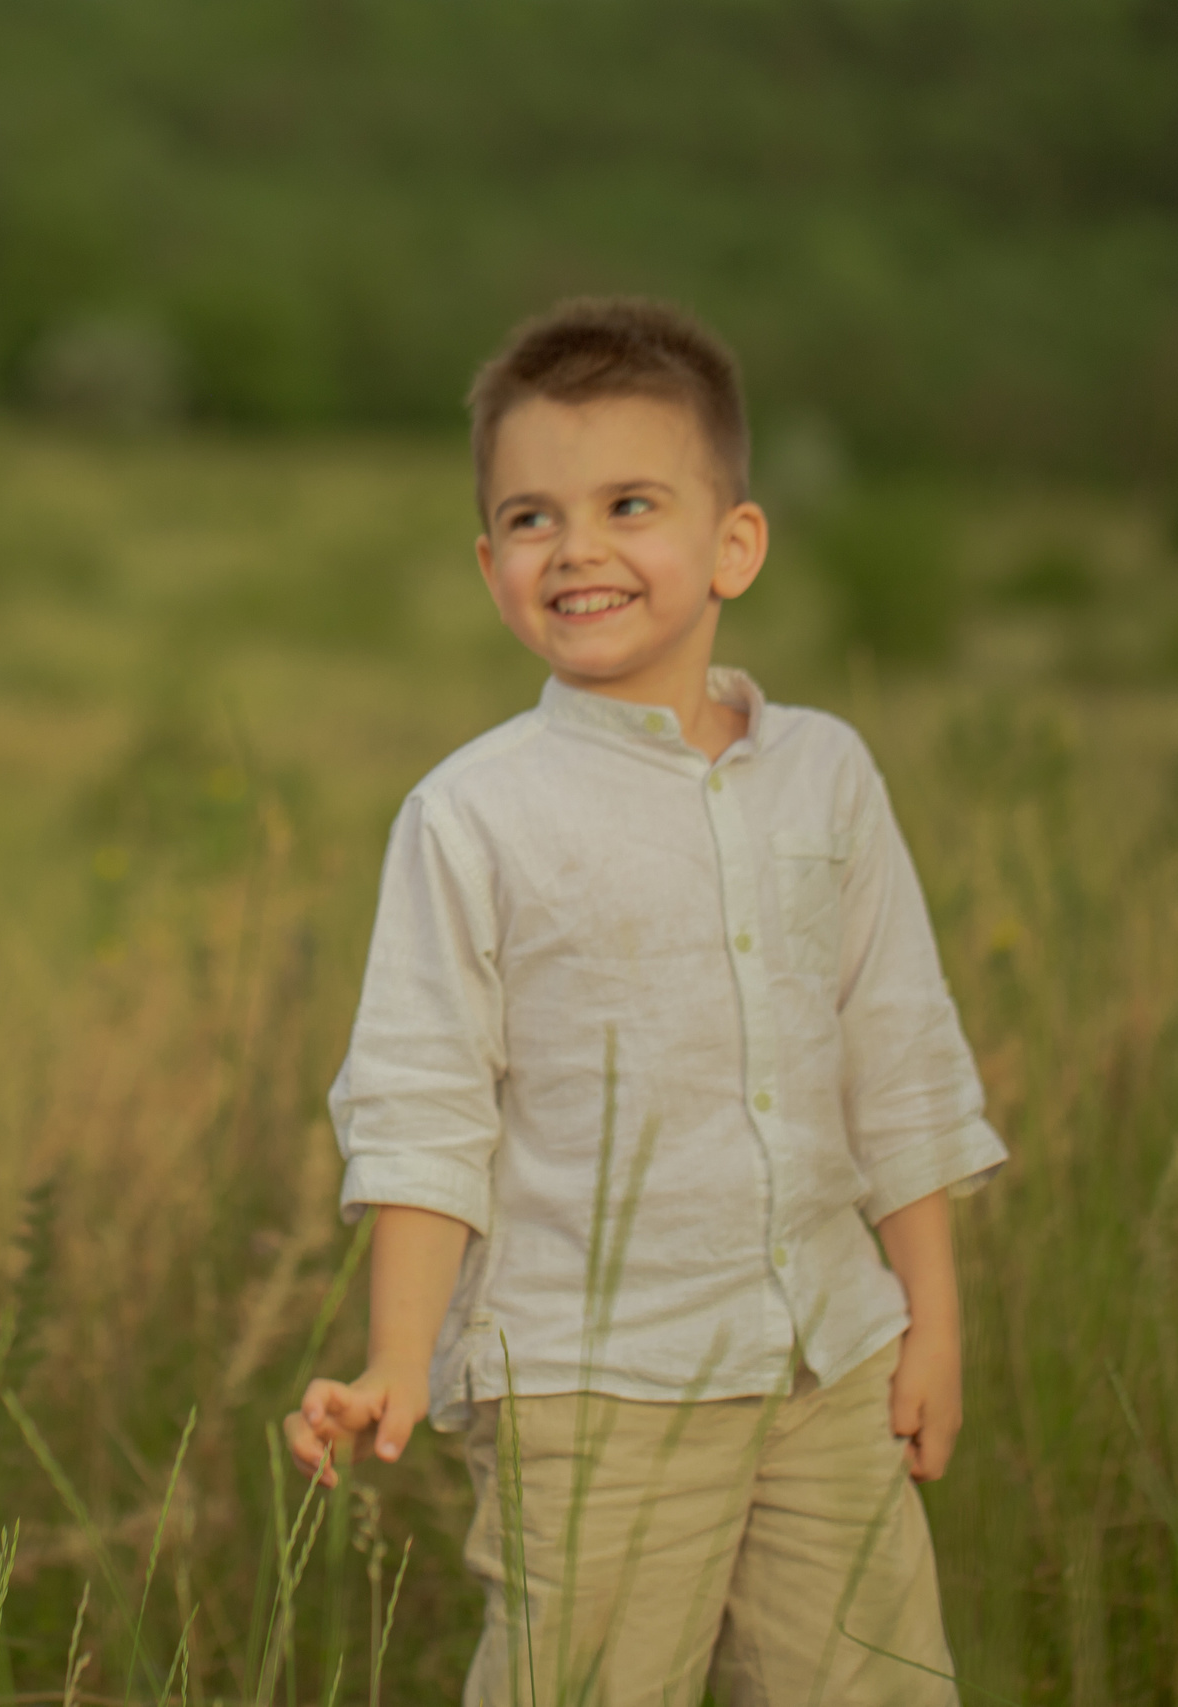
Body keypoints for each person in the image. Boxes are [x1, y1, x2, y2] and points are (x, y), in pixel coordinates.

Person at [282, 299, 1004, 1705]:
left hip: (826, 1362)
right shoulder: (473, 814)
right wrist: (397, 1355)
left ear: (734, 541)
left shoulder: (828, 776)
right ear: (492, 567)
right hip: (591, 1386)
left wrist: (934, 1318)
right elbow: (426, 1106)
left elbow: (897, 1049)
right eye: (534, 518)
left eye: (629, 503)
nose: (581, 548)